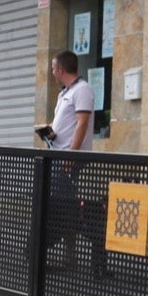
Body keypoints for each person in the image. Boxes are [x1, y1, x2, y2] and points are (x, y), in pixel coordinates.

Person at [38, 51, 96, 270]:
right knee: (63, 205)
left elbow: (82, 123)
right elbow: (68, 124)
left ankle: (68, 255)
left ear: (61, 70)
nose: (52, 72)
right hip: (59, 154)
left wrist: (71, 154)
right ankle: (66, 254)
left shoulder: (82, 90)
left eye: (53, 68)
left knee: (64, 206)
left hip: (68, 158)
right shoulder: (64, 93)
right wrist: (51, 133)